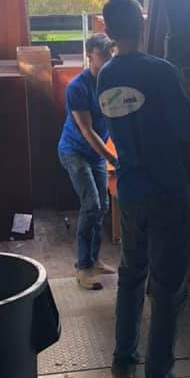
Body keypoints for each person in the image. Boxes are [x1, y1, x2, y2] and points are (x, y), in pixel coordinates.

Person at [97, 0, 190, 378]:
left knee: (131, 275)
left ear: (107, 27)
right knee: (167, 289)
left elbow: (135, 111)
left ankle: (122, 364)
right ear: (143, 23)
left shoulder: (105, 75)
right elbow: (187, 130)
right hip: (167, 191)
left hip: (130, 191)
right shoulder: (162, 72)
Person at [58, 32, 117, 290]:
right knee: (91, 204)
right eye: (101, 56)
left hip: (95, 154)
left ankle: (93, 260)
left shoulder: (112, 83)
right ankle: (83, 268)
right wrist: (113, 158)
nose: (106, 60)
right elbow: (86, 130)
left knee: (102, 205)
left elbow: (115, 119)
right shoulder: (77, 88)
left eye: (109, 55)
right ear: (89, 55)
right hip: (75, 151)